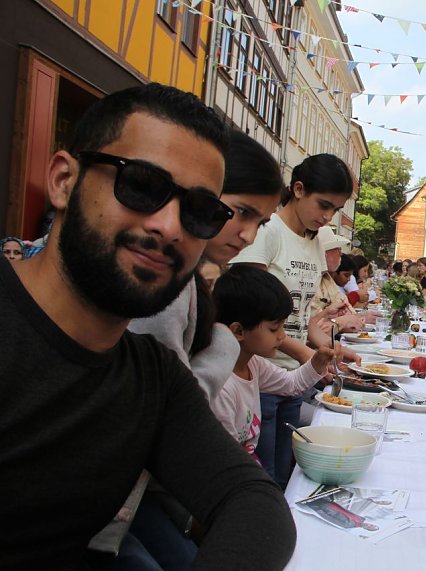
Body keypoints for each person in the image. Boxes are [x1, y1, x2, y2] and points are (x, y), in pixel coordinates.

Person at [0, 83, 293, 569]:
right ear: (63, 180)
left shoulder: (152, 377)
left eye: (200, 212)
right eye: (141, 185)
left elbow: (254, 501)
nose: (169, 226)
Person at [117, 127, 285, 569]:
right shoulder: (168, 286)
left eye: (260, 224)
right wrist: (225, 346)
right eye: (241, 213)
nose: (248, 235)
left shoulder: (189, 282)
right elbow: (166, 409)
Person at [230, 153, 354, 488]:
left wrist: (321, 340)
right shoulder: (268, 232)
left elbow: (302, 312)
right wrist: (304, 353)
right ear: (298, 189)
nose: (327, 217)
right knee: (263, 475)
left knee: (286, 472)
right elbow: (248, 308)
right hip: (260, 371)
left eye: (335, 210)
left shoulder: (313, 240)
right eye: (323, 205)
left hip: (292, 376)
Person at [211, 265, 336, 457]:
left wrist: (318, 361)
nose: (282, 336)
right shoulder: (222, 387)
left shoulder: (253, 364)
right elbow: (223, 459)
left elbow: (291, 384)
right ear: (238, 331)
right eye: (274, 328)